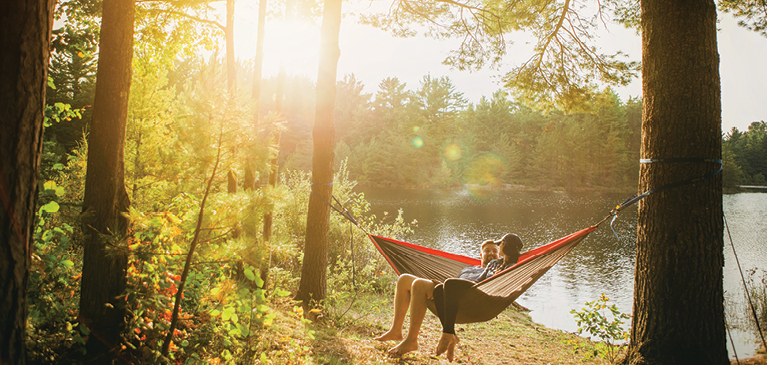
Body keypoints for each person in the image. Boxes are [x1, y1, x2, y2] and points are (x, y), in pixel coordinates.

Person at [375, 234, 523, 361]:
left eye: (495, 251)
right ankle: (397, 331)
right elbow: (454, 282)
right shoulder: (470, 268)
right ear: (480, 254)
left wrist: (497, 273)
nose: (491, 253)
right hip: (453, 292)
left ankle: (435, 335)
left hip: (474, 298)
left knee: (429, 285)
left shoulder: (500, 267)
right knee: (407, 279)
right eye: (487, 251)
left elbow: (508, 267)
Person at [434, 233, 523, 362]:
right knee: (438, 290)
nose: (498, 247)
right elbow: (481, 278)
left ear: (505, 246)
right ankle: (450, 334)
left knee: (449, 283)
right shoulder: (494, 262)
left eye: (500, 244)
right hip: (477, 287)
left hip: (485, 296)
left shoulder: (512, 267)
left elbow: (506, 285)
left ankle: (447, 334)